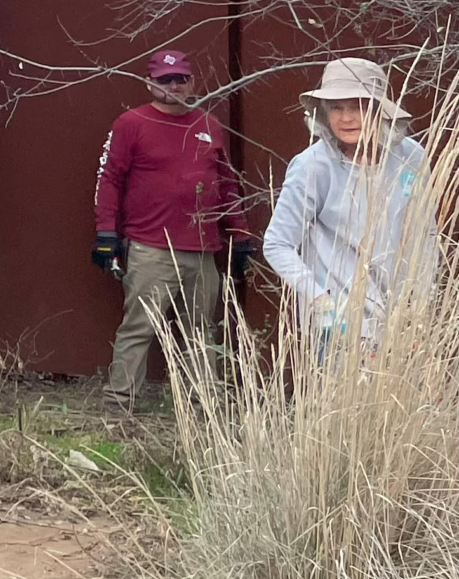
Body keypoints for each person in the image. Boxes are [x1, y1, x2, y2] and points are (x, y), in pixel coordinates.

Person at [92, 48, 257, 414]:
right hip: (151, 247)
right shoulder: (130, 123)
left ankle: (203, 409)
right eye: (166, 80)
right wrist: (106, 234)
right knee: (139, 328)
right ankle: (119, 407)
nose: (175, 86)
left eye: (181, 79)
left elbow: (226, 183)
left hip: (202, 250)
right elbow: (110, 180)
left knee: (200, 332)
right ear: (151, 83)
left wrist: (240, 233)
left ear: (191, 82)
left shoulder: (208, 125)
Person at [263, 58, 437, 352]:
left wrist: (418, 308)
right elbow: (277, 244)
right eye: (337, 108)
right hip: (336, 324)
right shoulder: (313, 166)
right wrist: (321, 301)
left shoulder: (411, 158)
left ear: (380, 110)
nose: (346, 118)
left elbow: (424, 237)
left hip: (399, 322)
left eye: (358, 107)